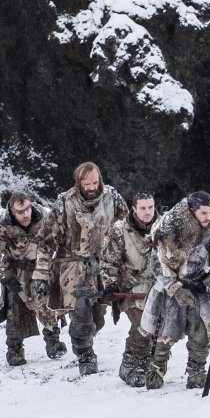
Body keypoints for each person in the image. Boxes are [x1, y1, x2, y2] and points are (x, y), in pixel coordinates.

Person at [143, 191, 210, 390]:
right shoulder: (169, 226)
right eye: (203, 213)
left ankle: (196, 372)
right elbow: (157, 263)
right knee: (165, 333)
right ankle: (156, 369)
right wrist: (174, 288)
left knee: (201, 333)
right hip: (171, 287)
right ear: (192, 211)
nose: (208, 216)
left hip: (199, 286)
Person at [53, 161, 125, 376]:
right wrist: (40, 273)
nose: (91, 187)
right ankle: (85, 355)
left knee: (98, 319)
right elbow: (47, 238)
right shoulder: (64, 201)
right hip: (74, 265)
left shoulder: (112, 197)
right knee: (82, 316)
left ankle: (82, 340)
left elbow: (127, 226)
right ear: (78, 182)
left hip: (103, 265)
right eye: (86, 183)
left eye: (94, 182)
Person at [0, 188, 66, 366]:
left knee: (49, 305)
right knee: (15, 311)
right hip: (16, 272)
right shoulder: (3, 227)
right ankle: (14, 349)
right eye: (20, 211)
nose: (25, 214)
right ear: (13, 211)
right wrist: (5, 277)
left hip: (41, 267)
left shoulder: (43, 216)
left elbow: (57, 238)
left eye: (27, 209)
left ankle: (53, 341)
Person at [102, 191, 159, 385]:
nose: (147, 212)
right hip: (131, 289)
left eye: (150, 207)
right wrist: (110, 283)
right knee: (143, 325)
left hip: (159, 287)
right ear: (134, 208)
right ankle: (130, 364)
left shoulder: (164, 227)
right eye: (143, 208)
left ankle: (148, 363)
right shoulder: (120, 230)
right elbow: (108, 262)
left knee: (160, 328)